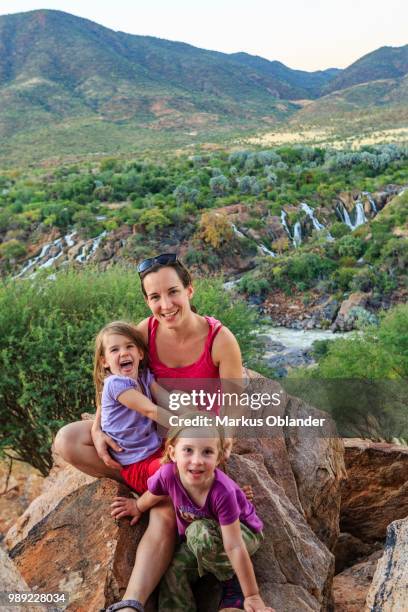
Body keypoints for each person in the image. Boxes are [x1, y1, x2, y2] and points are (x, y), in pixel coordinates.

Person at [54, 253, 246, 612]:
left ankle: (131, 602)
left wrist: (217, 444)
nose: (165, 304)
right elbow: (113, 380)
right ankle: (151, 485)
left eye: (173, 292)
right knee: (67, 439)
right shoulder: (144, 333)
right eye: (155, 297)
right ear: (147, 301)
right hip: (143, 441)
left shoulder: (221, 340)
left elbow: (233, 409)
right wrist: (97, 429)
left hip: (187, 443)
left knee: (161, 512)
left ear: (190, 289)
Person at [111, 416, 274, 612]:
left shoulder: (223, 492)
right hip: (200, 538)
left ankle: (232, 581)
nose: (196, 461)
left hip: (241, 535)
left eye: (207, 452)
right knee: (173, 570)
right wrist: (137, 506)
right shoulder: (167, 474)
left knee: (198, 532)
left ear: (219, 457)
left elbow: (235, 546)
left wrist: (252, 595)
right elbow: (153, 495)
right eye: (188, 450)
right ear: (172, 452)